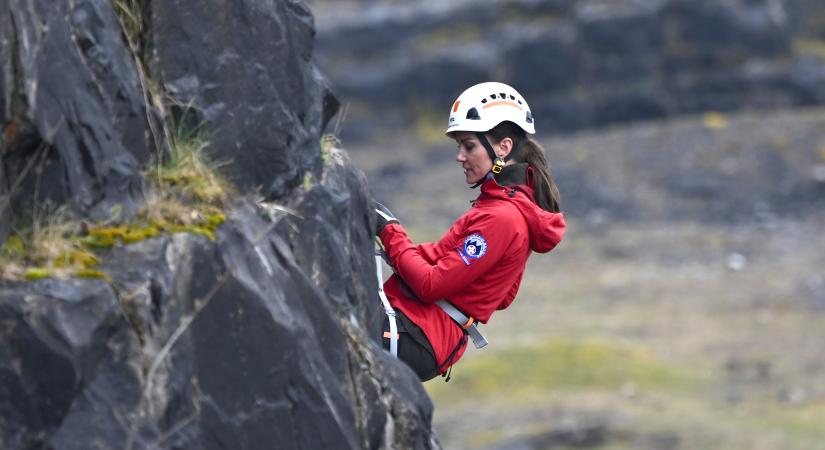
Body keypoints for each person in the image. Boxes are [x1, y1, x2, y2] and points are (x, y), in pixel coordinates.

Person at [374, 82, 567, 381]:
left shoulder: (501, 218)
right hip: (419, 332)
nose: (460, 157)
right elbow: (501, 296)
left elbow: (430, 284)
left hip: (414, 334)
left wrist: (390, 231)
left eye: (469, 146)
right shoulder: (501, 209)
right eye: (459, 147)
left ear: (503, 147)